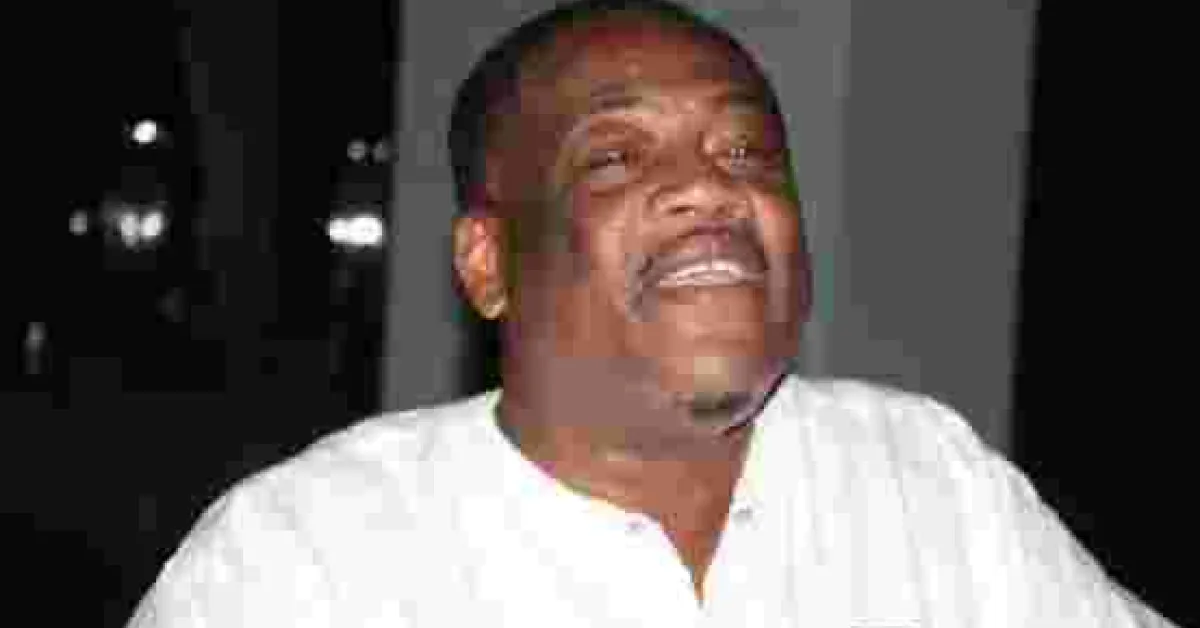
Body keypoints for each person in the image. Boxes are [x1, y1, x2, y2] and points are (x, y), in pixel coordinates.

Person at [126, 1, 1177, 626]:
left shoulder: (925, 484)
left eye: (747, 151)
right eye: (616, 157)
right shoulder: (301, 562)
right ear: (489, 263)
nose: (711, 187)